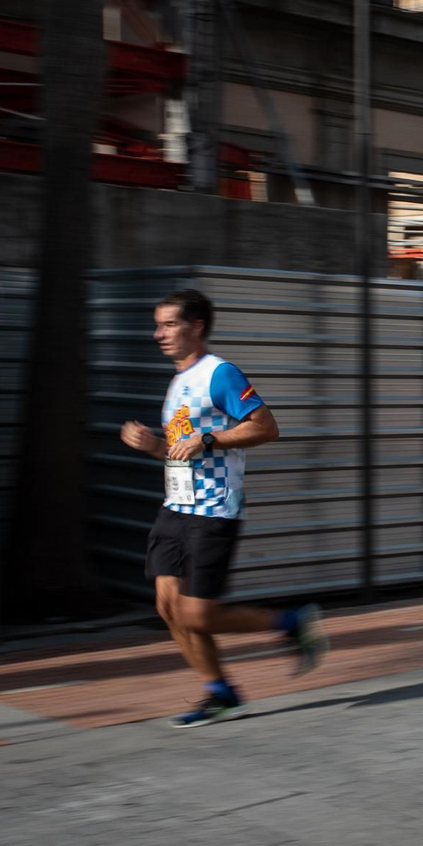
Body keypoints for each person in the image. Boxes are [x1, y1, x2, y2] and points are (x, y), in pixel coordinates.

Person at [119, 290, 329, 727]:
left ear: (195, 327)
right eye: (157, 325)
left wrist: (210, 438)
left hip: (213, 510)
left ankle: (291, 622)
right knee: (167, 607)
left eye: (169, 324)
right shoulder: (179, 381)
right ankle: (222, 692)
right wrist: (154, 445)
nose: (158, 334)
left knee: (197, 613)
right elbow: (183, 450)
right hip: (176, 506)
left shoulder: (220, 374)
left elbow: (266, 427)